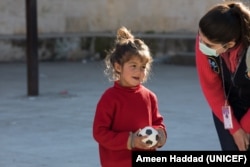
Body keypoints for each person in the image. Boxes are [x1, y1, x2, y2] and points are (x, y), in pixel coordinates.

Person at [92, 26, 167, 167]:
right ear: (118, 67)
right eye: (133, 65)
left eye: (143, 67)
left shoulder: (150, 97)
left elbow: (158, 123)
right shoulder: (109, 98)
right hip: (117, 163)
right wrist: (131, 140)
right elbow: (99, 132)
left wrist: (159, 135)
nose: (139, 71)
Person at [196, 1, 250, 151]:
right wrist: (234, 129)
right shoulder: (207, 35)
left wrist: (245, 128)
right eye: (200, 38)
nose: (201, 45)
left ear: (230, 44)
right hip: (226, 103)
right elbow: (211, 88)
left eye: (208, 44)